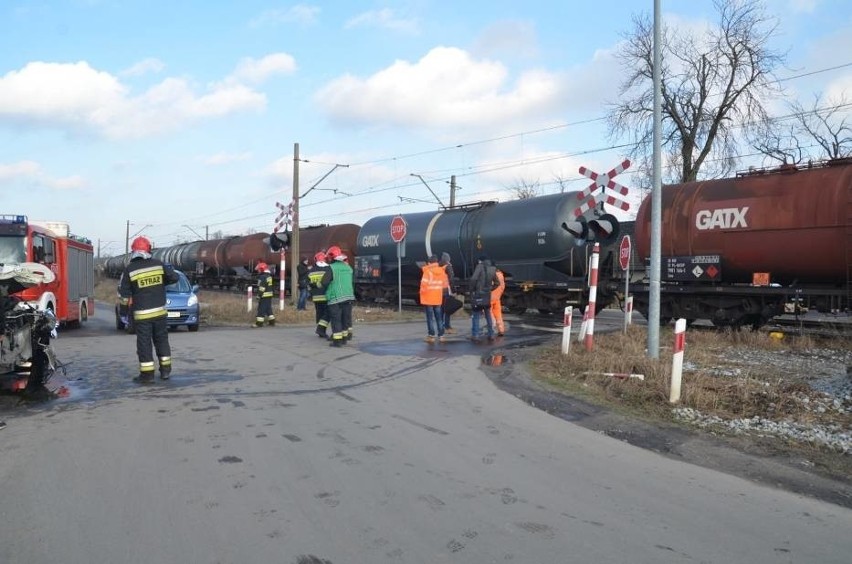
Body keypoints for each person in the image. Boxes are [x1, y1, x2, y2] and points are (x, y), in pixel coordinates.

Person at [118, 236, 179, 383]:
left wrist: (123, 313)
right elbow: (174, 278)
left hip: (142, 315)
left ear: (134, 251)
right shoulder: (158, 264)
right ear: (148, 249)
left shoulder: (130, 270)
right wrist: (162, 282)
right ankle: (165, 372)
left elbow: (124, 295)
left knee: (144, 344)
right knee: (162, 341)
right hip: (160, 313)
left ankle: (147, 375)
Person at [322, 245, 355, 347]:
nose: (328, 260)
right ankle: (344, 338)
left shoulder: (331, 268)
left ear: (332, 257)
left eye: (329, 258)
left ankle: (337, 341)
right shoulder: (348, 267)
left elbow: (324, 282)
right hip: (348, 297)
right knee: (345, 319)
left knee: (336, 319)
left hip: (335, 297)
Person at [468, 255, 499, 341]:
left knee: (476, 315)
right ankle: (491, 334)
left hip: (478, 294)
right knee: (488, 314)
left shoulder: (479, 266)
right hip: (487, 295)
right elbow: (497, 283)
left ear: (481, 261)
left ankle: (475, 335)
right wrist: (490, 289)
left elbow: (474, 278)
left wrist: (471, 289)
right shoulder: (493, 269)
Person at [420, 255, 449, 343]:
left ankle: (431, 336)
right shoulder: (442, 271)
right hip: (437, 298)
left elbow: (423, 285)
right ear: (436, 262)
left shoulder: (427, 272)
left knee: (430, 318)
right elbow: (444, 285)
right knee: (439, 317)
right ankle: (441, 336)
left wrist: (422, 294)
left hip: (428, 298)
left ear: (429, 263)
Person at [308, 251, 332, 338]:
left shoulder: (311, 270)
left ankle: (321, 330)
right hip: (326, 295)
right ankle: (321, 329)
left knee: (319, 313)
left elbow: (309, 284)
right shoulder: (328, 268)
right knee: (328, 313)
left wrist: (311, 292)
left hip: (316, 297)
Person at [439, 252, 457, 333]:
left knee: (441, 310)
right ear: (448, 259)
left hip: (439, 290)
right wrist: (454, 290)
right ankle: (447, 327)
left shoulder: (439, 266)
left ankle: (440, 326)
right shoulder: (448, 267)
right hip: (447, 290)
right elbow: (451, 280)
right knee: (447, 310)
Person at [254, 262, 275, 327]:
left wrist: (258, 295)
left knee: (261, 309)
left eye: (259, 269)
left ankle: (259, 323)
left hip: (264, 295)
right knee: (268, 309)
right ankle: (272, 322)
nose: (258, 271)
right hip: (269, 295)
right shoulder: (269, 276)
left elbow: (262, 288)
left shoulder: (262, 277)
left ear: (262, 269)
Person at [490, 264, 506, 336]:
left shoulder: (491, 275)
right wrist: (499, 294)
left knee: (489, 314)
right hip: (497, 298)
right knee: (498, 315)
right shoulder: (500, 275)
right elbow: (502, 286)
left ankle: (492, 330)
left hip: (489, 298)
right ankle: (501, 329)